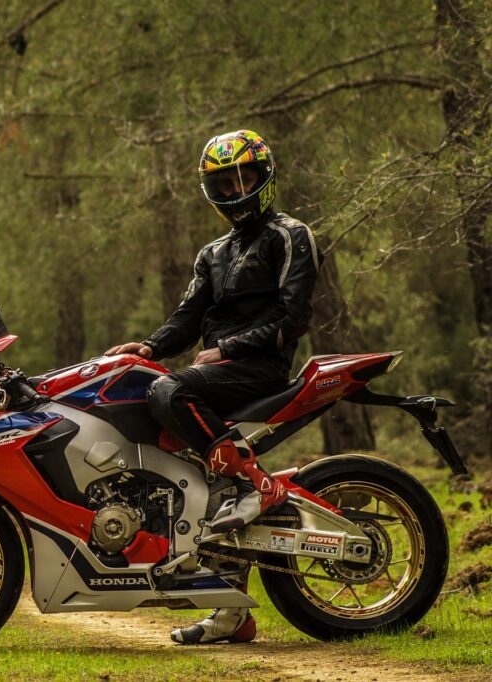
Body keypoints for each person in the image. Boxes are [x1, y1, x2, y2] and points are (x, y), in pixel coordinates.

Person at [106, 129, 322, 644]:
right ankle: (231, 614)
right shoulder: (213, 253)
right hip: (219, 372)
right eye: (223, 183)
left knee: (169, 393)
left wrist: (230, 348)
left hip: (260, 367)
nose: (235, 190)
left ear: (264, 177)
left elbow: (294, 316)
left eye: (244, 178)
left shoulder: (290, 235)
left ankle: (259, 485)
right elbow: (188, 318)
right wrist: (148, 348)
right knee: (149, 405)